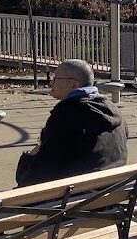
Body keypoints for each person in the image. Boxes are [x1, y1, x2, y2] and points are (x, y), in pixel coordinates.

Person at [15, 59, 128, 187]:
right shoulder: (114, 110)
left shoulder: (66, 115)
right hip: (109, 194)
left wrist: (30, 156)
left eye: (56, 78)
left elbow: (34, 178)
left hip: (72, 199)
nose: (51, 82)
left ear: (74, 84)